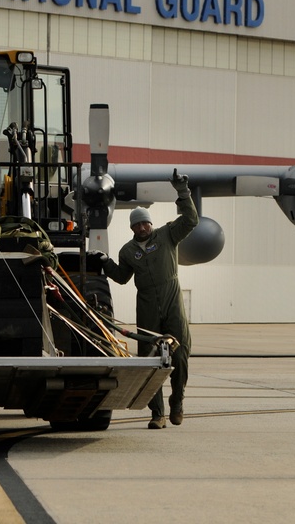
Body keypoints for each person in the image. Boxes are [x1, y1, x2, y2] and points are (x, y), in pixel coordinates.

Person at [99, 169, 197, 429]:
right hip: (146, 307)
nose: (142, 227)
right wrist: (106, 263)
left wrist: (183, 192)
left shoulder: (167, 235)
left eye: (145, 223)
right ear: (132, 227)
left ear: (151, 224)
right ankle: (158, 414)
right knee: (150, 360)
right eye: (137, 224)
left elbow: (190, 219)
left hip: (172, 302)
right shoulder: (128, 251)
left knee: (181, 355)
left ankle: (177, 403)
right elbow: (121, 277)